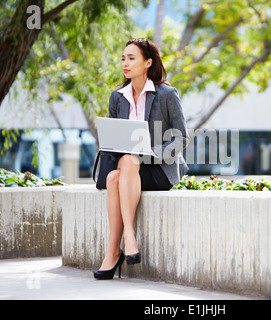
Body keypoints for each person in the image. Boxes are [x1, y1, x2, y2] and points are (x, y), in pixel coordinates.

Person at [94, 38, 190, 280]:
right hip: (128, 171)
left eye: (131, 58)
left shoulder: (167, 94)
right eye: (123, 58)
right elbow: (115, 141)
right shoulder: (117, 97)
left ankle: (124, 242)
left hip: (159, 170)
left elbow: (181, 138)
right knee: (116, 174)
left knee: (127, 165)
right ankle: (115, 251)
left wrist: (156, 151)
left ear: (148, 63)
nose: (125, 63)